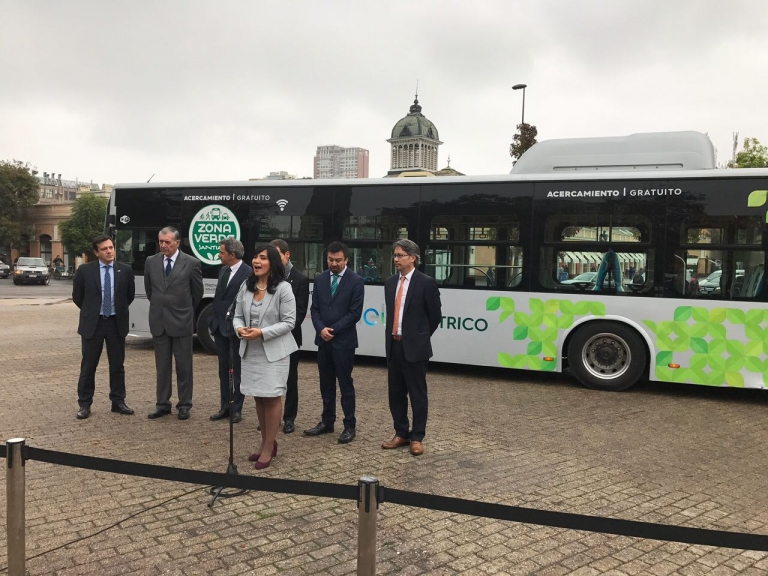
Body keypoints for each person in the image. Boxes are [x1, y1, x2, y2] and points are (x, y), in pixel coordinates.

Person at [233, 245, 297, 470]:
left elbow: (289, 322)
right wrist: (240, 330)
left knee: (271, 398)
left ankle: (269, 447)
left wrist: (262, 333)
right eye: (255, 257)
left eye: (263, 258)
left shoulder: (283, 289)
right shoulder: (246, 286)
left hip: (274, 353)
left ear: (273, 263)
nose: (257, 261)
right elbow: (237, 316)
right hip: (251, 351)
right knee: (258, 398)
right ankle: (265, 442)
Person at [381, 239, 442, 456]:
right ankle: (401, 433)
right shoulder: (389, 283)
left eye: (400, 255)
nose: (395, 259)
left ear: (413, 257)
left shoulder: (426, 282)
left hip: (415, 349)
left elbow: (435, 317)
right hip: (394, 346)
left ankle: (417, 437)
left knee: (417, 394)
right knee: (396, 393)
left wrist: (419, 338)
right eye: (395, 255)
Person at [305, 241, 364, 444]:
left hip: (344, 342)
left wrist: (333, 330)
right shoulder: (320, 279)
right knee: (326, 384)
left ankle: (349, 426)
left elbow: (354, 313)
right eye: (331, 259)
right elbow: (315, 309)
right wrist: (321, 329)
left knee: (345, 384)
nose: (334, 263)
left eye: (338, 260)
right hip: (323, 341)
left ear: (346, 259)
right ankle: (327, 421)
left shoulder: (356, 281)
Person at [72, 235, 136, 419]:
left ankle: (118, 402)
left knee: (117, 365)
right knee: (88, 366)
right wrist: (92, 311)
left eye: (111, 247)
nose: (109, 251)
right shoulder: (85, 270)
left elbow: (128, 296)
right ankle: (84, 404)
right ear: (96, 252)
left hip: (116, 323)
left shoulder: (125, 270)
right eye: (104, 249)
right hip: (94, 324)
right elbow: (78, 297)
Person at [144, 226, 204, 420]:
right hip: (159, 322)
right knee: (162, 367)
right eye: (161, 241)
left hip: (181, 322)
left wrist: (182, 310)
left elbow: (197, 293)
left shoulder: (192, 263)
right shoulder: (151, 262)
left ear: (177, 243)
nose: (163, 245)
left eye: (167, 242)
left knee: (184, 366)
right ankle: (162, 404)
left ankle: (184, 404)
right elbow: (150, 291)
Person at [208, 237, 250, 424]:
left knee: (237, 370)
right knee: (223, 369)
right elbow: (219, 297)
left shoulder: (248, 272)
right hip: (219, 328)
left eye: (222, 252)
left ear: (232, 255)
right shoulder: (223, 270)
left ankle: (236, 408)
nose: (219, 255)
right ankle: (224, 406)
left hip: (235, 330)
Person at [269, 239, 310, 434]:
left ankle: (289, 418)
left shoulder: (300, 280)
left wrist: (276, 329)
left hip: (289, 339)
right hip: (266, 339)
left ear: (287, 255)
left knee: (290, 380)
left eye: (277, 255)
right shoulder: (265, 277)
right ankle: (270, 418)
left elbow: (299, 314)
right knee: (269, 379)